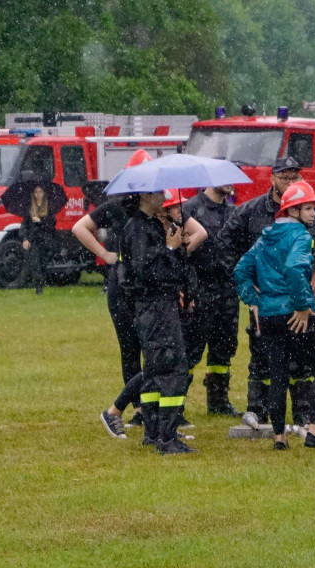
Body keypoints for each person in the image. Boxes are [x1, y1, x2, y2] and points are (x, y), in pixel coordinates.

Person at [218, 156, 315, 424]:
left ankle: (301, 414)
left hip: (298, 298)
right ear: (272, 179)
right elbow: (225, 242)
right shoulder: (252, 210)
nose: (290, 183)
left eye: (294, 177)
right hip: (266, 300)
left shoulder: (314, 212)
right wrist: (249, 284)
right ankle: (257, 409)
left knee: (302, 357)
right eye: (284, 177)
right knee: (262, 353)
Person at [234, 181, 315, 451]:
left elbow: (240, 271)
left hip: (268, 315)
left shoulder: (265, 236)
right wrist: (303, 305)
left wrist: (254, 300)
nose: (314, 213)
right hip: (294, 313)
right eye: (308, 208)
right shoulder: (302, 236)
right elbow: (294, 269)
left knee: (278, 375)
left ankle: (280, 438)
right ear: (293, 210)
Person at [119, 188, 206, 455]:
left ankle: (152, 431)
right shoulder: (138, 228)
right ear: (144, 196)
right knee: (172, 367)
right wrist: (171, 248)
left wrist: (177, 248)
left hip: (156, 305)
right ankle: (166, 438)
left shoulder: (146, 225)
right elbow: (146, 271)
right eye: (157, 192)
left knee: (156, 370)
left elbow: (164, 267)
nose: (163, 195)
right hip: (155, 307)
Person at [73, 150, 150, 431]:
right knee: (130, 347)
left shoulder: (155, 206)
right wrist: (105, 255)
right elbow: (80, 227)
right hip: (122, 283)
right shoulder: (116, 206)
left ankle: (150, 405)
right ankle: (139, 408)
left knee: (149, 345)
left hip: (145, 283)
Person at [181, 184, 242, 417]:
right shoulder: (190, 209)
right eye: (224, 178)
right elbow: (182, 254)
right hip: (199, 288)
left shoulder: (232, 212)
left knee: (224, 347)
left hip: (227, 289)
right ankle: (176, 405)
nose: (230, 184)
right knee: (191, 348)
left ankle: (218, 401)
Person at [21, 185, 56, 295]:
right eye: (36, 192)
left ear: (44, 193)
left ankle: (41, 282)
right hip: (34, 240)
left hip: (46, 239)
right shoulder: (30, 208)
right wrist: (25, 238)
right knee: (35, 263)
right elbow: (24, 225)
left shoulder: (49, 207)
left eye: (40, 192)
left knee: (43, 263)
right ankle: (38, 287)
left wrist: (41, 221)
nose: (38, 194)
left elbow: (52, 224)